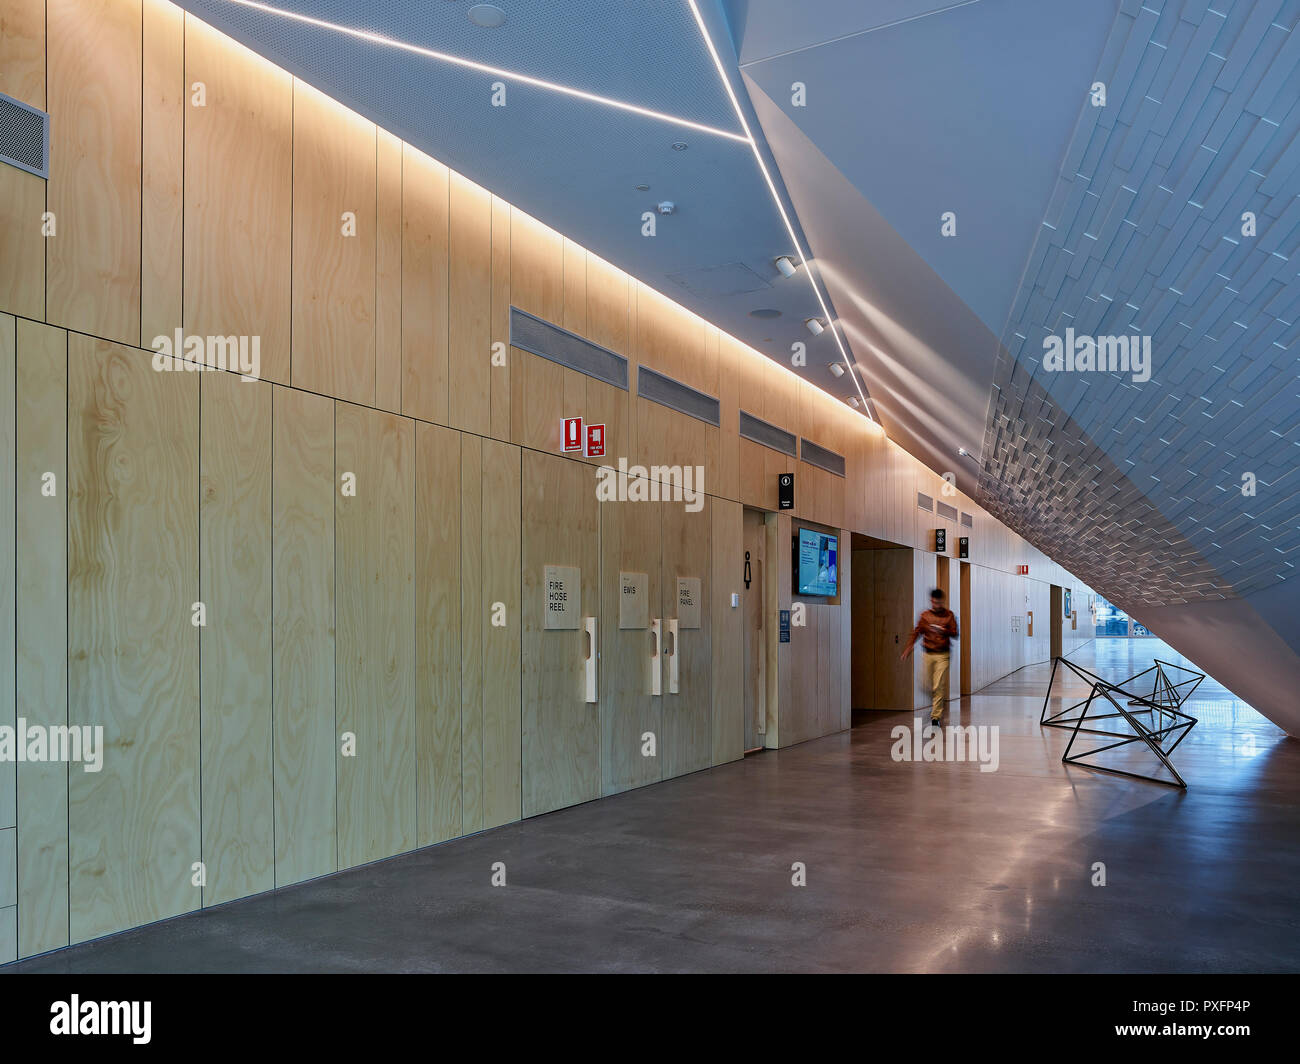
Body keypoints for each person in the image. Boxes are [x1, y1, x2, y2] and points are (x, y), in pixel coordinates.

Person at [901, 588, 959, 727]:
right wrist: (908, 648)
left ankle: (935, 717)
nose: (936, 605)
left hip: (943, 654)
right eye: (934, 602)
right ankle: (937, 703)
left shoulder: (949, 615)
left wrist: (944, 630)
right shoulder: (925, 616)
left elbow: (955, 633)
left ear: (942, 601)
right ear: (931, 601)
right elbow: (916, 632)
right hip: (927, 654)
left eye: (939, 603)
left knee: (938, 685)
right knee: (926, 684)